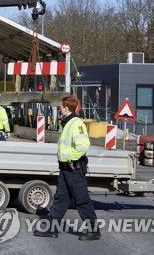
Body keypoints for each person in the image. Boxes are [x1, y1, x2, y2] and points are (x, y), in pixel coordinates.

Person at [33, 95, 101, 241]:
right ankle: (52, 229)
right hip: (66, 169)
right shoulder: (68, 123)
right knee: (60, 199)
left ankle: (94, 231)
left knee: (82, 200)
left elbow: (83, 146)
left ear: (66, 108)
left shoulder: (75, 124)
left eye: (61, 107)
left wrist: (72, 159)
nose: (59, 109)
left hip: (73, 168)